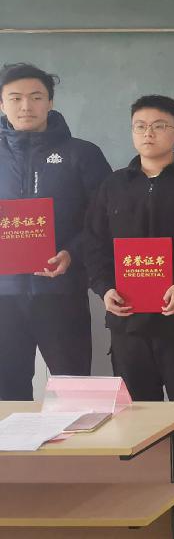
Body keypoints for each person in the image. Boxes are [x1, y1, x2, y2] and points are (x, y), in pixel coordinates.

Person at [84, 96, 174, 402]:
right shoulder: (113, 185)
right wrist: (104, 288)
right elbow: (94, 243)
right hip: (128, 323)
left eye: (159, 126)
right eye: (140, 126)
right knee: (138, 414)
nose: (148, 133)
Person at [0, 63, 111, 401]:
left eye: (36, 97)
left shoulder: (82, 153)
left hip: (61, 291)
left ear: (50, 102)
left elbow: (103, 218)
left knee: (74, 389)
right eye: (15, 98)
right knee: (7, 392)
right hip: (3, 297)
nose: (26, 106)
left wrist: (72, 253)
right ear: (2, 104)